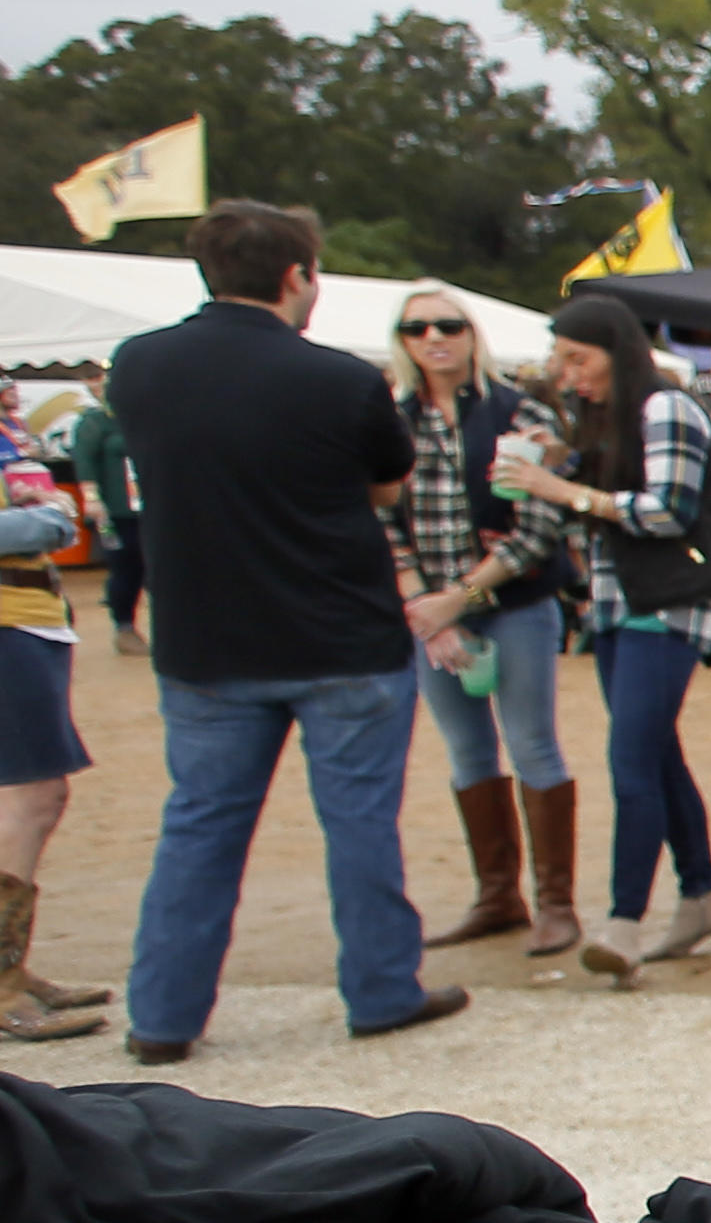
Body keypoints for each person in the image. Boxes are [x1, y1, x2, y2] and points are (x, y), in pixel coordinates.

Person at [107, 201, 468, 1061]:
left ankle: (163, 1015)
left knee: (199, 826)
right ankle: (381, 989)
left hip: (205, 639)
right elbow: (388, 486)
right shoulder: (340, 380)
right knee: (359, 825)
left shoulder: (139, 367)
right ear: (296, 275)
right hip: (340, 635)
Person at [499, 296, 711, 981]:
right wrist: (564, 466)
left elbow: (668, 510)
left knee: (631, 761)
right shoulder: (604, 419)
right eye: (562, 361)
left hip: (666, 608)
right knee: (657, 757)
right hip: (617, 608)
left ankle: (624, 922)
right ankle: (703, 896)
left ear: (618, 350)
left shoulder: (665, 408)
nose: (569, 374)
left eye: (579, 359)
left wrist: (561, 488)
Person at [382, 283, 581, 956]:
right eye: (417, 329)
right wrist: (423, 608)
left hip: (511, 604)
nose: (434, 338)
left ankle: (556, 902)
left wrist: (458, 598)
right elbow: (379, 519)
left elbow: (539, 524)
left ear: (472, 334)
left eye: (448, 325)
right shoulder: (391, 420)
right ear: (403, 341)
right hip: (428, 615)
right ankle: (498, 894)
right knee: (467, 751)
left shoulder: (517, 413)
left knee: (532, 744)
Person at [0, 450, 111, 1038]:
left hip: (29, 618)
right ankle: (3, 978)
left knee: (28, 796)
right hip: (8, 621)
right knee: (33, 795)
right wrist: (49, 520)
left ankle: (13, 967)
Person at [67, 388, 144, 658]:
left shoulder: (144, 416)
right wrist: (91, 498)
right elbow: (84, 460)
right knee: (126, 568)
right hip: (117, 510)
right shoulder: (96, 421)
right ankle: (124, 627)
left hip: (152, 508)